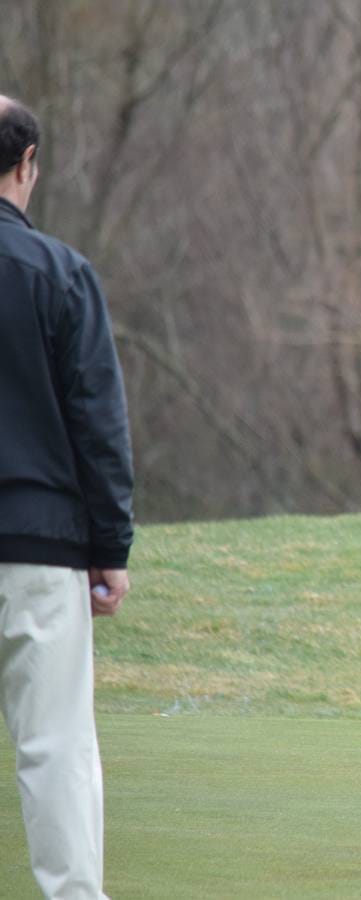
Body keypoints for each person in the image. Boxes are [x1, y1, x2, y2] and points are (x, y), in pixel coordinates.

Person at [0, 95, 133, 899]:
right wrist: (110, 550)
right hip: (40, 553)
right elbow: (98, 426)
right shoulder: (59, 273)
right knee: (54, 748)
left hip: (39, 542)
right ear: (27, 166)